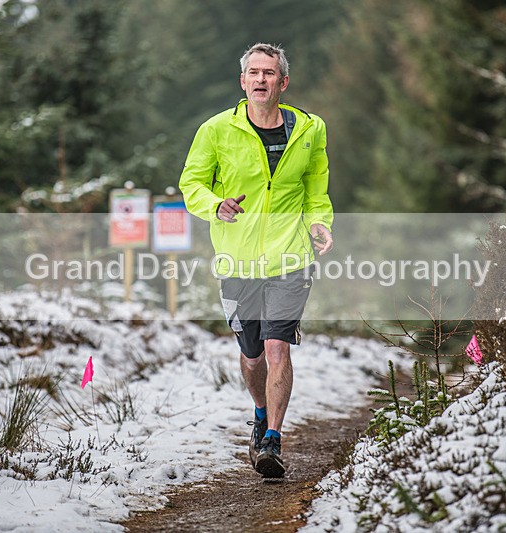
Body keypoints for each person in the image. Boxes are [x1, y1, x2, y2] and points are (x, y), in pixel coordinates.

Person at [178, 43, 334, 478]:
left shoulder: (310, 128)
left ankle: (273, 441)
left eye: (269, 73)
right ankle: (261, 412)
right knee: (251, 356)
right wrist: (215, 205)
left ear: (283, 82)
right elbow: (191, 183)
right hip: (238, 259)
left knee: (276, 345)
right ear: (243, 81)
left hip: (290, 256)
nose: (261, 79)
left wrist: (320, 222)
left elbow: (316, 186)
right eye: (254, 72)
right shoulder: (215, 130)